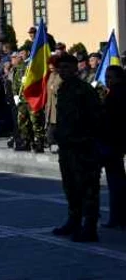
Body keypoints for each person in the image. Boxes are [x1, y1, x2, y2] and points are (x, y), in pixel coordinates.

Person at [52, 53, 102, 243]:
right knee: (70, 187)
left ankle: (90, 227)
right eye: (60, 68)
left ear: (75, 69)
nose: (62, 71)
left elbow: (96, 118)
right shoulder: (63, 88)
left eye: (66, 67)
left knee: (88, 189)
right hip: (67, 147)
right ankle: (74, 220)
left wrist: (87, 138)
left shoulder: (84, 90)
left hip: (83, 148)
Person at [100, 65, 126, 229]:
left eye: (112, 77)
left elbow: (111, 121)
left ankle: (117, 218)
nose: (108, 80)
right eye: (107, 77)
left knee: (116, 183)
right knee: (118, 181)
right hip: (116, 143)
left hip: (113, 143)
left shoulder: (116, 95)